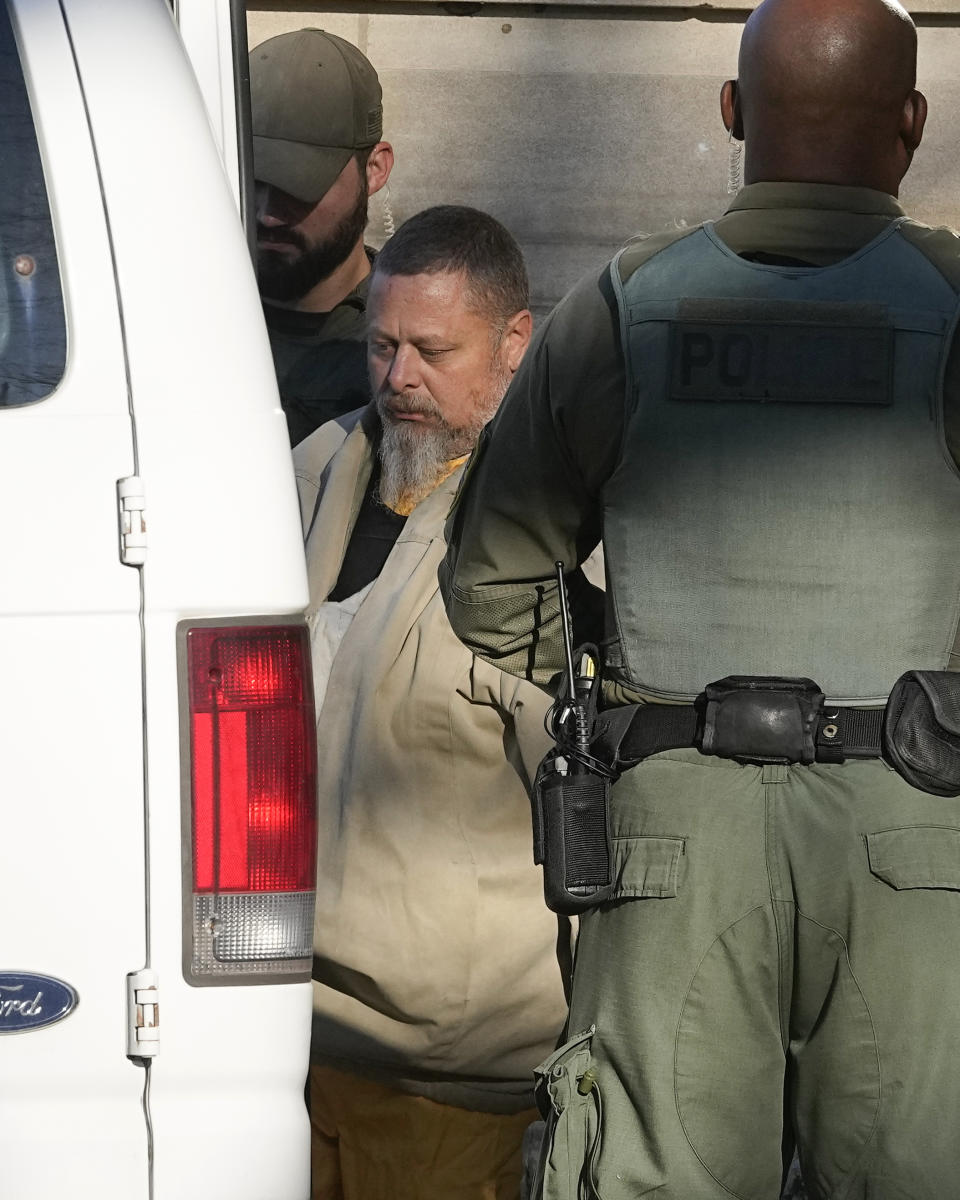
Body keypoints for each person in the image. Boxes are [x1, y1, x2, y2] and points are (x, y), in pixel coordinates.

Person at [440, 1, 960, 1196]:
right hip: (919, 832)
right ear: (913, 123)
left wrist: (626, 676)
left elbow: (492, 583)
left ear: (731, 113)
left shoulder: (620, 312)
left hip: (670, 829)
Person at [293, 205, 568, 1200]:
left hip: (454, 1069)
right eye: (381, 345)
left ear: (513, 345)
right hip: (284, 1027)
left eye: (432, 350)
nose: (399, 376)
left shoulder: (559, 526)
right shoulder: (321, 467)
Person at [250, 29, 394, 444]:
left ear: (375, 169)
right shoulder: (178, 319)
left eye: (299, 185)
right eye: (253, 180)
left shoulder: (412, 345)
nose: (267, 214)